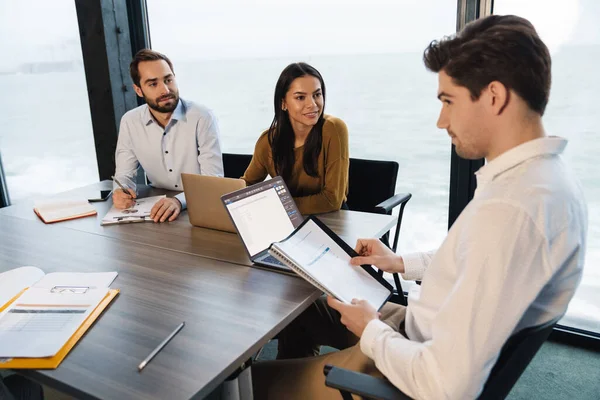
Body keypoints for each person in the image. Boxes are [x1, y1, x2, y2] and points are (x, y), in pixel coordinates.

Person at [251, 15, 587, 399]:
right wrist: (399, 262)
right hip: (416, 327)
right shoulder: (536, 180)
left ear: (494, 96)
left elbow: (447, 385)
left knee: (246, 384)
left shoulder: (514, 209)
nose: (441, 120)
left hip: (400, 367)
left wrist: (372, 330)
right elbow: (474, 261)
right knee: (307, 306)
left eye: (448, 101)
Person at [112, 49, 224, 222]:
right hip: (156, 210)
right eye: (152, 84)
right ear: (138, 90)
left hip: (200, 208)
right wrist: (121, 191)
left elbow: (212, 181)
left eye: (168, 80)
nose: (165, 89)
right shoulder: (130, 121)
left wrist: (178, 201)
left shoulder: (202, 117)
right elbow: (124, 175)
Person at [241, 62, 349, 215]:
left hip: (331, 222)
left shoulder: (334, 129)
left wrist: (277, 205)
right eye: (300, 97)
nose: (312, 104)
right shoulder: (268, 140)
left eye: (317, 95)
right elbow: (248, 184)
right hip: (288, 221)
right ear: (283, 103)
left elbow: (332, 199)